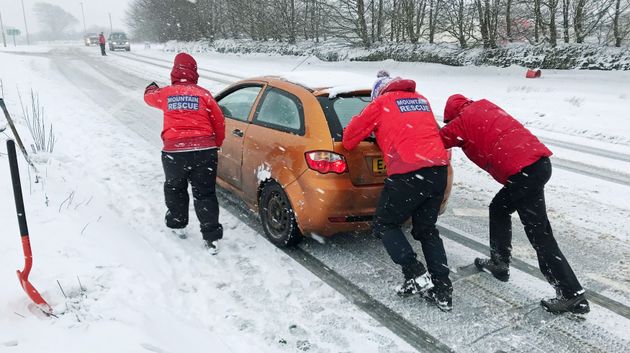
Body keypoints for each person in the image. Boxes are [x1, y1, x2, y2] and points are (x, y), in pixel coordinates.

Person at [440, 94, 589, 314]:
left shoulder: (461, 123)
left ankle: (571, 294)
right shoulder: (485, 106)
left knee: (540, 235)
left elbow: (435, 140)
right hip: (538, 164)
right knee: (499, 208)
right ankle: (499, 263)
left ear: (452, 115)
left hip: (523, 174)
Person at [343, 71, 453, 311]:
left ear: (378, 93)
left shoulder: (381, 103)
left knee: (384, 224)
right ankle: (443, 290)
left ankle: (416, 273)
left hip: (408, 172)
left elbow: (349, 138)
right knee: (426, 229)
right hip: (437, 171)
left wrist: (372, 128)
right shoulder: (421, 100)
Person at [144, 53, 225, 255]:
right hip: (204, 152)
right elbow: (219, 121)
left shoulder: (166, 93)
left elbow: (148, 98)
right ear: (194, 72)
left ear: (174, 71)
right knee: (205, 193)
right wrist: (216, 144)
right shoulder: (204, 94)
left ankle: (178, 225)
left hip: (175, 153)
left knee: (175, 188)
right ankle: (212, 238)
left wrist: (151, 88)